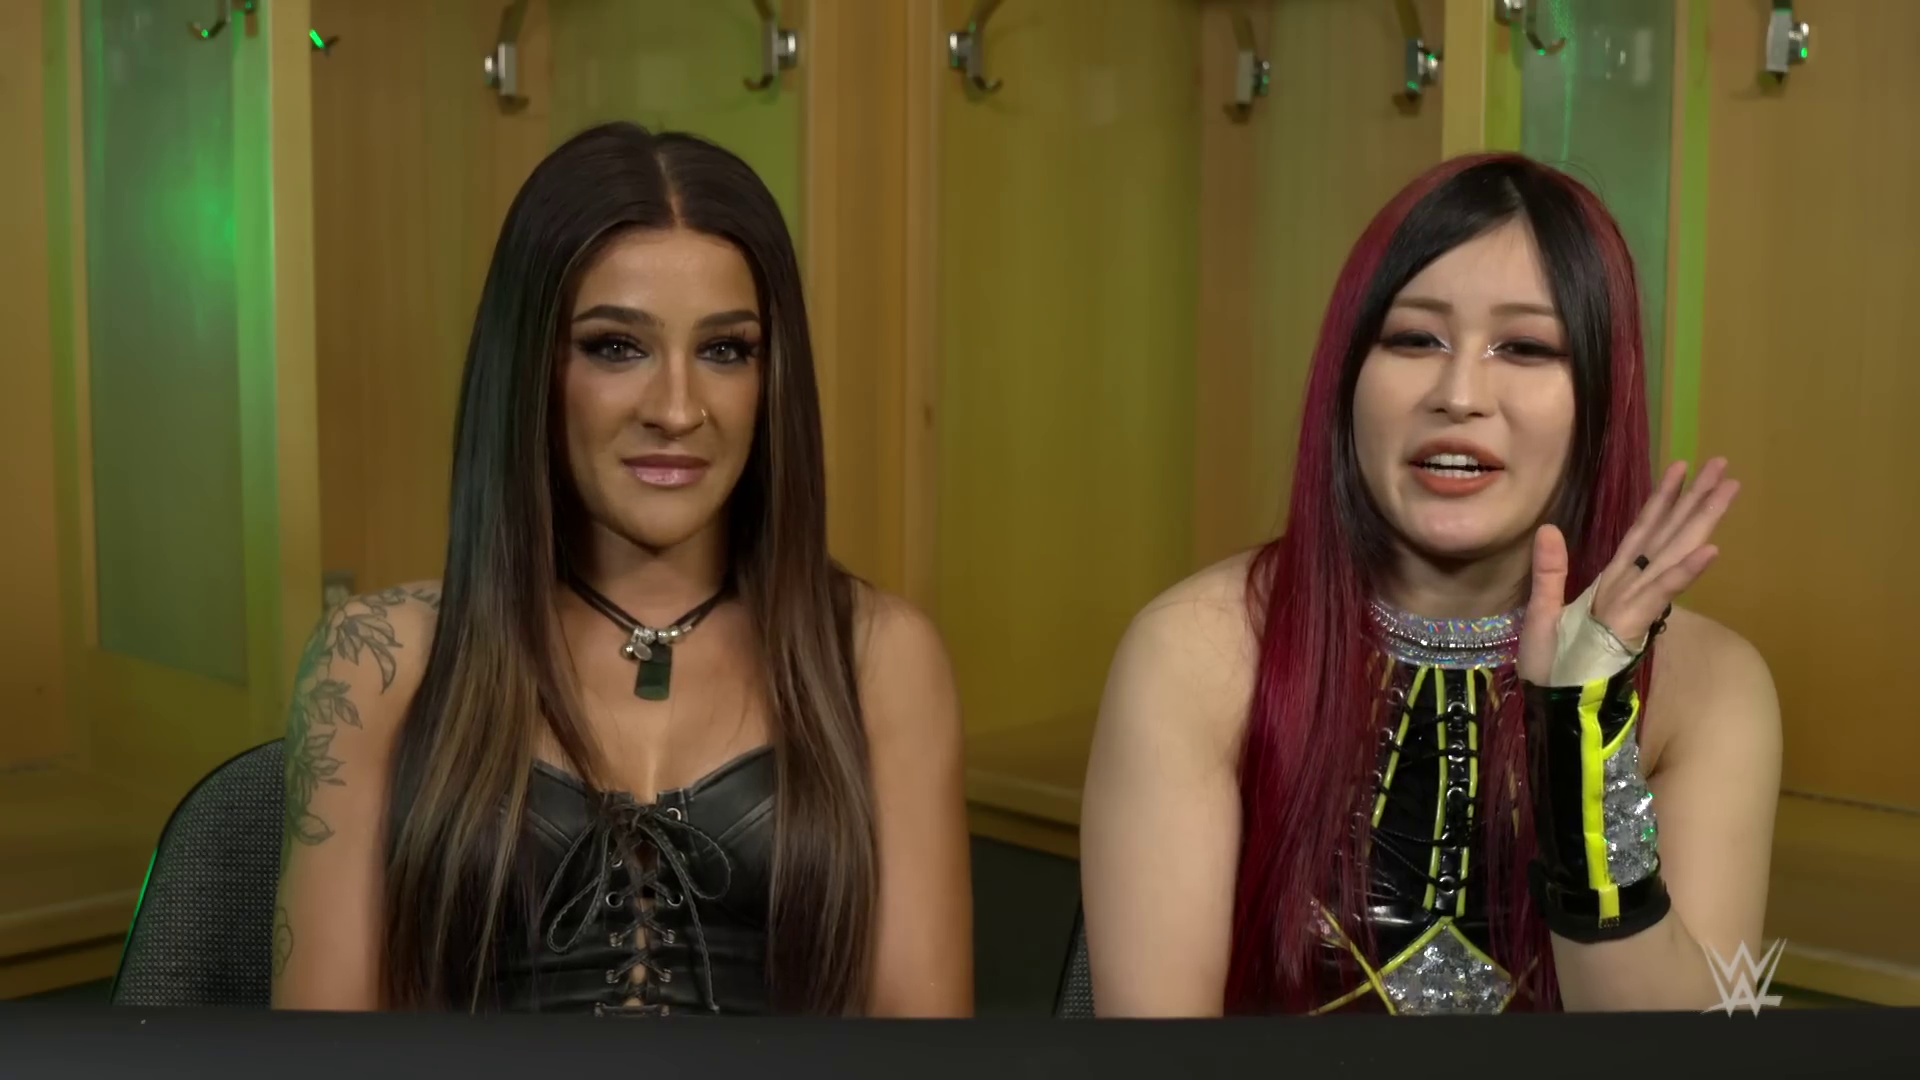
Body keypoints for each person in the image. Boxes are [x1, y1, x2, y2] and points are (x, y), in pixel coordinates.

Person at [272, 123, 973, 1017]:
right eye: (616, 346)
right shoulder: (376, 659)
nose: (676, 409)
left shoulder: (879, 657)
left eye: (725, 350)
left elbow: (922, 1052)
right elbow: (322, 1054)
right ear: (533, 367)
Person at [1079, 154, 1780, 1015]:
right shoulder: (1196, 651)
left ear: (1600, 399)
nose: (1459, 394)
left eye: (1525, 347)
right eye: (1415, 339)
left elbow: (1679, 1059)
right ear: (1347, 377)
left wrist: (1581, 734)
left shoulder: (1713, 689)